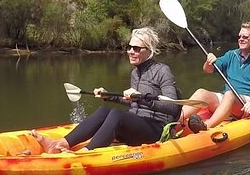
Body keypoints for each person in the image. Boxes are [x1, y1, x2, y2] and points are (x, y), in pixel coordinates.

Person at [32, 27, 182, 152]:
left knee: (116, 114)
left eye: (136, 49)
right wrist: (109, 96)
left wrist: (141, 97)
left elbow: (172, 107)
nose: (130, 51)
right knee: (104, 110)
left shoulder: (162, 70)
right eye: (129, 47)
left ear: (149, 51)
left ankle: (85, 153)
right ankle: (60, 144)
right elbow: (135, 104)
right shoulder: (135, 73)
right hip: (137, 124)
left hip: (154, 130)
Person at [180, 21, 250, 132]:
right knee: (201, 92)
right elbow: (208, 70)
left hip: (246, 104)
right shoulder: (231, 55)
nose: (241, 39)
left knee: (230, 94)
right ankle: (175, 120)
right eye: (239, 36)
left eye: (245, 37)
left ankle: (206, 126)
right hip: (228, 100)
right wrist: (209, 62)